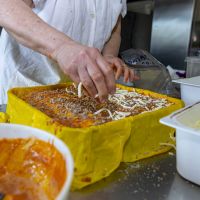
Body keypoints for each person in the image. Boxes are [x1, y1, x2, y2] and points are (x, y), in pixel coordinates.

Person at [0, 0, 136, 104]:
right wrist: (62, 47)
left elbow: (114, 29)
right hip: (25, 89)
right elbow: (6, 6)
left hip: (81, 97)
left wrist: (108, 56)